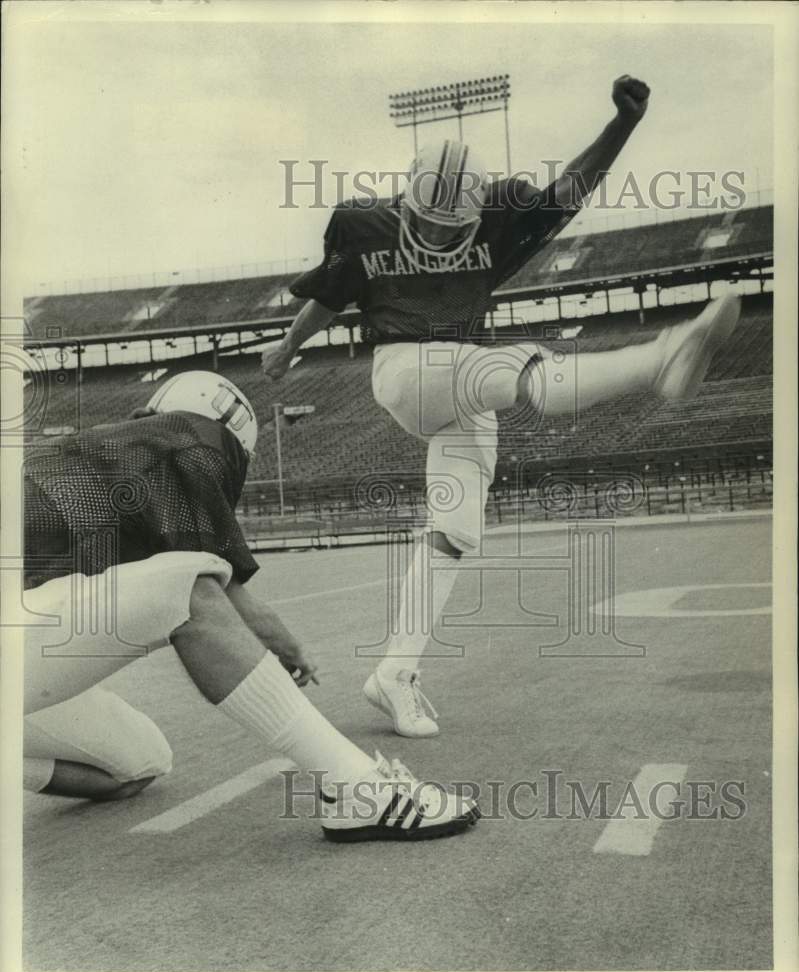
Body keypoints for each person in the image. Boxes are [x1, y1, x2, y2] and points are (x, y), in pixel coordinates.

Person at [261, 75, 742, 738]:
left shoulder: (496, 214)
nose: (434, 233)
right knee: (516, 367)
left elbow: (569, 192)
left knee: (453, 531)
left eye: (447, 226)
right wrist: (287, 346)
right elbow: (331, 293)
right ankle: (657, 361)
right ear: (406, 202)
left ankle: (394, 675)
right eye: (424, 221)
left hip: (462, 382)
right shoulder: (364, 224)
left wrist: (621, 125)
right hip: (404, 369)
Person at [22, 371, 478, 840]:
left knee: (138, 763)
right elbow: (214, 587)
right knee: (186, 592)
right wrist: (288, 647)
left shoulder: (101, 452)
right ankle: (357, 791)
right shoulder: (190, 442)